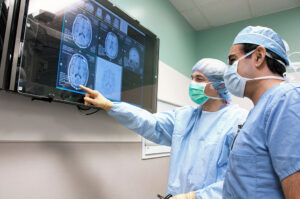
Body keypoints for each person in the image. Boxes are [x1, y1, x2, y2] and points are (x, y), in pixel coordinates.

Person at [80, 58, 248, 199]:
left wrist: (193, 197)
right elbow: (150, 123)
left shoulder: (239, 121)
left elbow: (240, 179)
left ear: (219, 85)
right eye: (192, 78)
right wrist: (111, 106)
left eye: (199, 79)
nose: (192, 84)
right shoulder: (185, 116)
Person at [223, 26, 300, 199]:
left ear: (258, 56)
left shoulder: (287, 100)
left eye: (232, 60)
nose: (228, 70)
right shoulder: (260, 111)